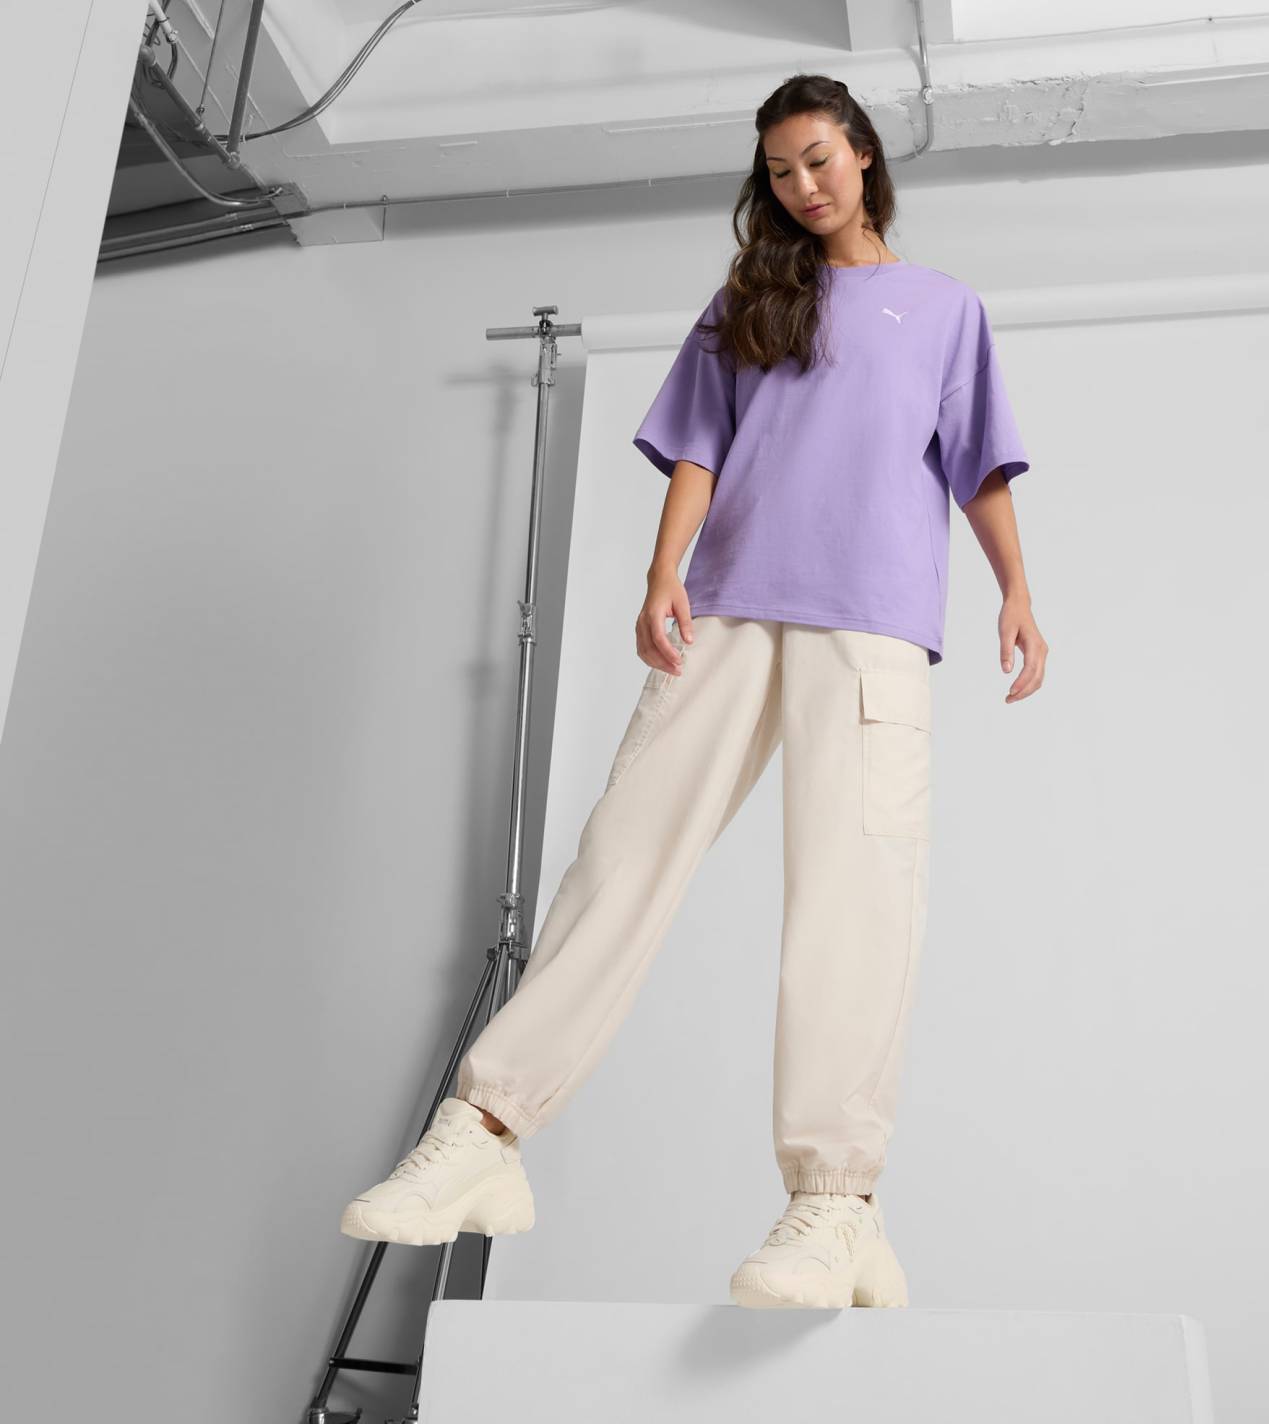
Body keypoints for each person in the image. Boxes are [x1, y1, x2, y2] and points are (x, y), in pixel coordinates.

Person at [340, 73, 1048, 1310]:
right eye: (778, 171)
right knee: (622, 855)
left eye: (818, 159)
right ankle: (484, 1131)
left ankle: (836, 1203)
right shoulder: (750, 298)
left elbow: (977, 464)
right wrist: (663, 568)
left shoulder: (943, 310)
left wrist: (1016, 592)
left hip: (871, 624)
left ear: (863, 156)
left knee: (850, 899)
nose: (801, 185)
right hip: (728, 606)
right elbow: (698, 446)